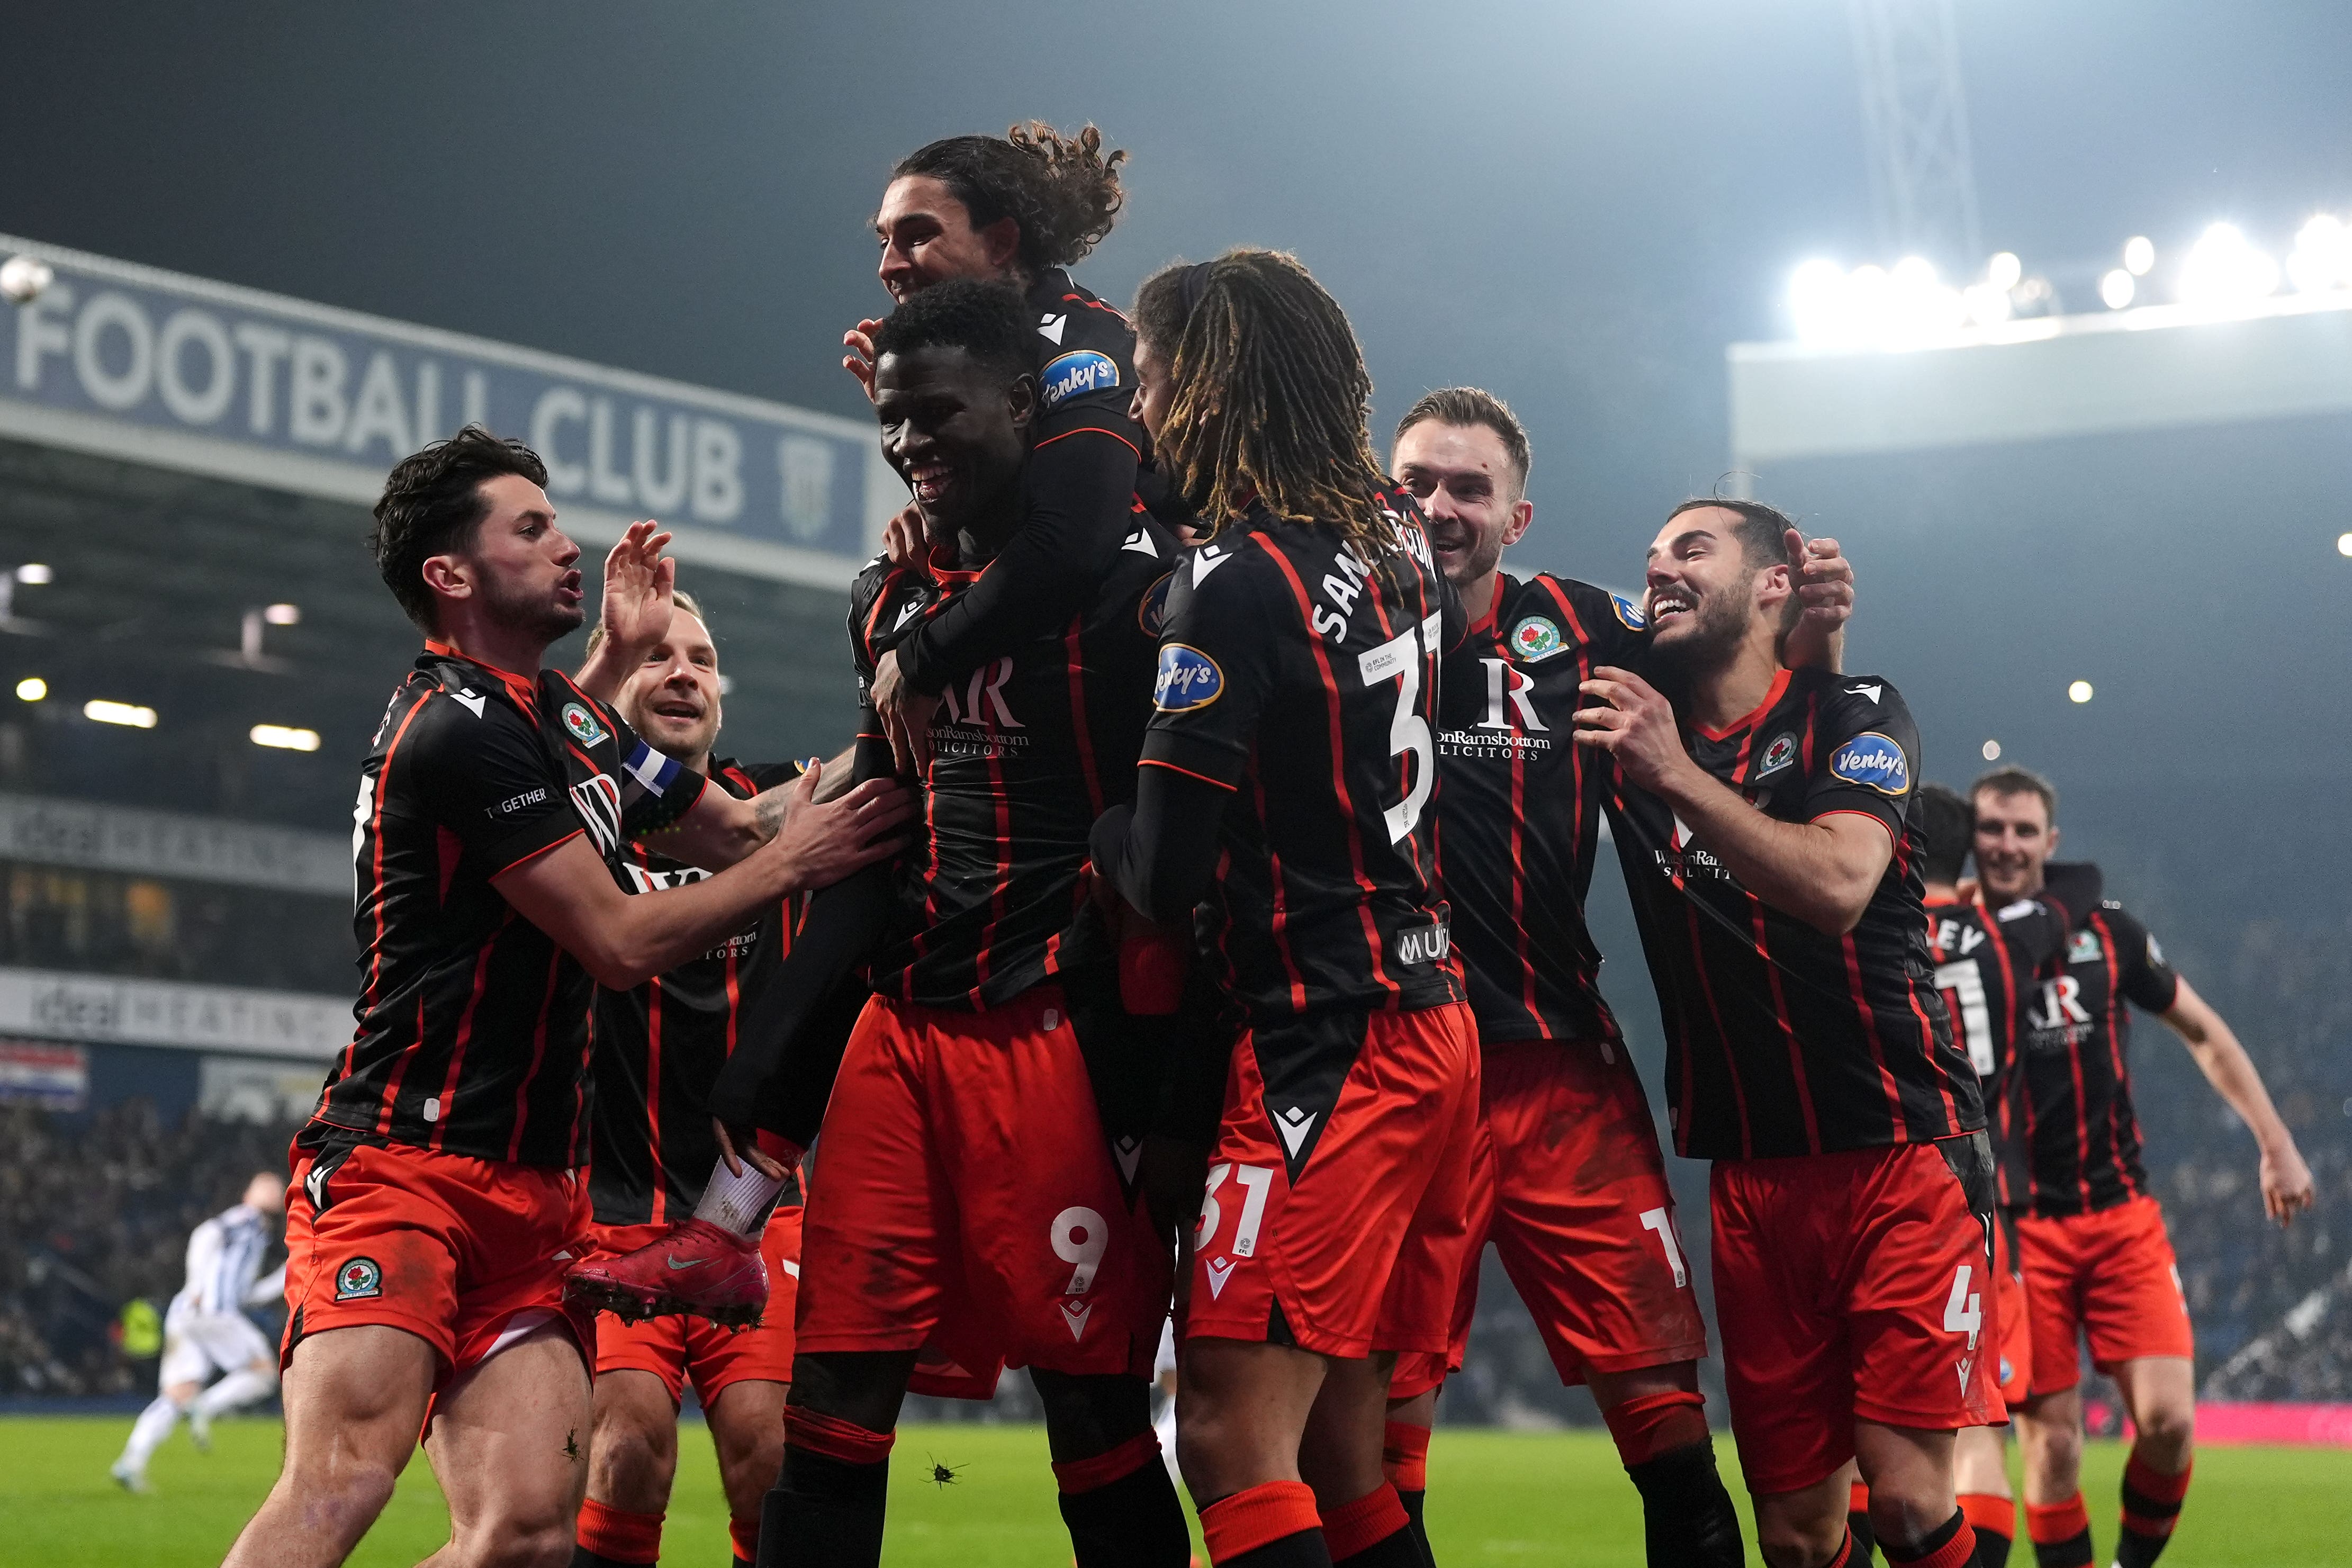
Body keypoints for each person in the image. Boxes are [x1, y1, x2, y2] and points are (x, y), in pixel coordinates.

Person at [218, 427, 911, 1568]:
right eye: (529, 528)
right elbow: (621, 939)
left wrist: (908, 718)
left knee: (528, 1536)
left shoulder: (552, 711)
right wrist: (796, 867)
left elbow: (736, 819)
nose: (567, 543)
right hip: (402, 1164)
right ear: (452, 573)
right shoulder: (455, 728)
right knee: (338, 1483)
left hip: (536, 1189)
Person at [749, 279, 1189, 1568]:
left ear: (1020, 404)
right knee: (831, 1393)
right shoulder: (883, 597)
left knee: (1091, 1402)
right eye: (890, 419)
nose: (908, 443)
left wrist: (1166, 1077)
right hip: (901, 1032)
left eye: (937, 414)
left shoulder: (1128, 593)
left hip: (1055, 1023)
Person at [1382, 389, 1853, 1566]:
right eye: (1414, 485)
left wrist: (1816, 632)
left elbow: (1747, 674)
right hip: (1387, 1066)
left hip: (1556, 1075)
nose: (1438, 508)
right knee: (1376, 1459)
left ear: (1517, 515)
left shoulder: (1585, 625)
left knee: (1676, 1459)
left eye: (1467, 488)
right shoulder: (1318, 608)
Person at [1094, 249, 1479, 1568]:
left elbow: (1155, 871)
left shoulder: (1234, 581)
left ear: (1204, 385)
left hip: (1329, 1038)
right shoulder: (1391, 539)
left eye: (1149, 380)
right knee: (1340, 1456)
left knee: (1222, 1431)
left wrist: (1088, 826)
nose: (1139, 411)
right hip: (1425, 1015)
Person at [1576, 497, 1998, 1568]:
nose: (1658, 566)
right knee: (1800, 1536)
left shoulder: (1854, 708)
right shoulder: (1631, 719)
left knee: (1905, 1503)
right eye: (1650, 552)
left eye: (1690, 547)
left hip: (1899, 1150)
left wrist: (1672, 773)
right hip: (1753, 1177)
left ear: (1774, 581)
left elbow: (1842, 881)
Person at [1969, 768, 2315, 1568]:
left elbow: (2201, 1029)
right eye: (1991, 828)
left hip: (2121, 1215)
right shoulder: (1952, 939)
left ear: (2049, 843)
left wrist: (2274, 1139)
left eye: (2024, 830)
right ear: (1972, 838)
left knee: (2167, 1423)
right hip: (2022, 1232)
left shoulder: (2105, 930)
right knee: (2050, 1450)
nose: (2007, 844)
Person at [568, 591, 815, 1568]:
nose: (683, 672)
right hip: (614, 1202)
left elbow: (892, 766)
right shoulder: (575, 820)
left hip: (752, 1202)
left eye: (702, 658)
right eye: (657, 656)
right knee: (628, 1448)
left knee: (770, 1453)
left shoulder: (775, 803)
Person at [850, 122, 1148, 777]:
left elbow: (1073, 540)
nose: (888, 265)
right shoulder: (970, 352)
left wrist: (922, 656)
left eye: (917, 235)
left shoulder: (1082, 344)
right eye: (883, 241)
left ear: (1002, 241)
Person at [1865, 785, 2102, 1568]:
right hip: (1969, 1200)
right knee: (1971, 1438)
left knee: (1855, 1436)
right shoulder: (2006, 938)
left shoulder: (1859, 923)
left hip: (1862, 1188)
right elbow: (2080, 883)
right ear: (1966, 864)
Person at [111, 1172, 287, 1491]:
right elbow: (206, 1233)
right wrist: (195, 1283)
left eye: (277, 1187)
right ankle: (206, 1406)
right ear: (248, 1193)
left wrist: (287, 1273)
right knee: (263, 1374)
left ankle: (131, 1462)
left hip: (188, 1314)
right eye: (265, 1186)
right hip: (211, 1311)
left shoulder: (258, 1235)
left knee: (178, 1393)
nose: (274, 1191)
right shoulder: (245, 1219)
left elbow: (248, 1294)